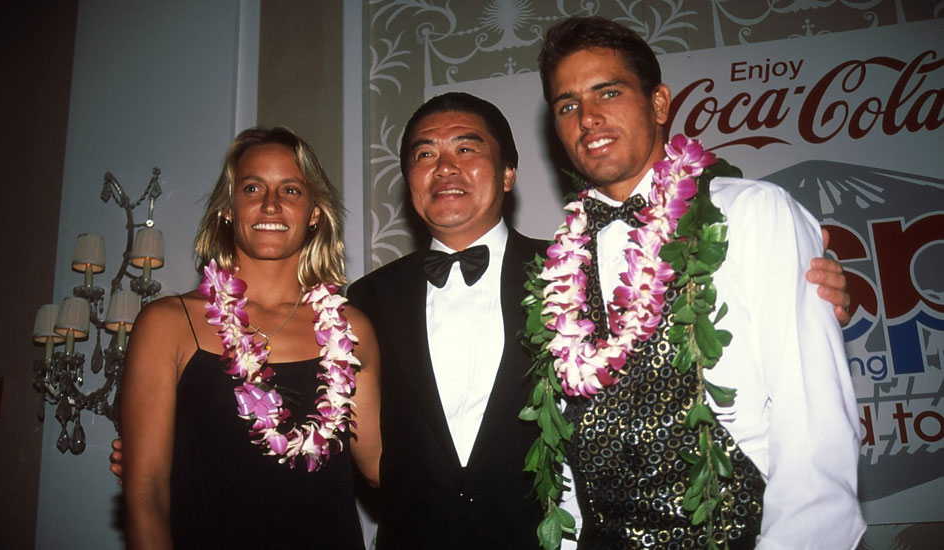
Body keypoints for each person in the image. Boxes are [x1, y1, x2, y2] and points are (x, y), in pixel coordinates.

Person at [345, 92, 852, 549]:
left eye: (467, 148)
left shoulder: (575, 272)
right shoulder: (366, 298)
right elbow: (369, 454)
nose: (445, 168)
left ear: (507, 173)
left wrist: (807, 289)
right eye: (425, 154)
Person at [531, 16, 865, 549]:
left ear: (659, 103)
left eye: (608, 92)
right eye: (567, 105)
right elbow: (570, 447)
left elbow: (814, 422)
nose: (587, 118)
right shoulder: (560, 266)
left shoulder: (751, 214)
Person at [119, 127, 380, 549]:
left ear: (314, 212)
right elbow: (146, 491)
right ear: (228, 207)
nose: (271, 204)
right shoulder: (167, 324)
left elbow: (381, 464)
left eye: (291, 190)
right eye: (253, 187)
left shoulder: (353, 327)